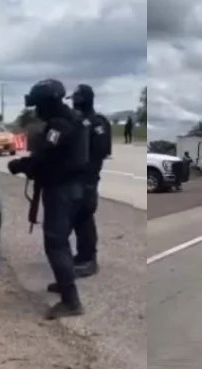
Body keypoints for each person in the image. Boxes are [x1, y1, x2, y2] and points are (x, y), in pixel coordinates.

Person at [7, 79, 90, 319]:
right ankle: (65, 284)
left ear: (48, 103)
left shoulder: (59, 126)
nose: (37, 111)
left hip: (63, 190)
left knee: (56, 243)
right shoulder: (75, 119)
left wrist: (20, 165)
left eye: (38, 105)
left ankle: (71, 301)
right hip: (77, 188)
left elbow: (44, 157)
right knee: (62, 241)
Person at [64, 83, 111, 280]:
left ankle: (90, 259)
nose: (73, 102)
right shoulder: (76, 121)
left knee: (85, 217)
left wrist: (88, 173)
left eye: (76, 98)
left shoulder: (97, 122)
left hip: (88, 178)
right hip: (75, 178)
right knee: (77, 219)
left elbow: (101, 152)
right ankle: (82, 255)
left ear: (83, 99)